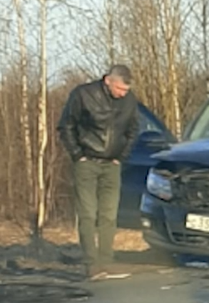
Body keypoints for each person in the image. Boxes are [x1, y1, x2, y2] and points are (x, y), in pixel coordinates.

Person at [57, 65, 140, 279]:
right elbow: (66, 126)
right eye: (120, 89)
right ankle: (91, 263)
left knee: (109, 215)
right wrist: (78, 155)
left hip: (112, 165)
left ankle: (106, 261)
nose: (123, 94)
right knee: (87, 214)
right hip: (87, 162)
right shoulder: (83, 94)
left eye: (126, 90)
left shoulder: (129, 101)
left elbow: (133, 130)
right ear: (107, 81)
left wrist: (120, 157)